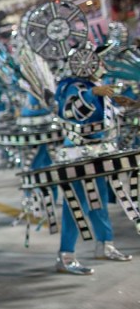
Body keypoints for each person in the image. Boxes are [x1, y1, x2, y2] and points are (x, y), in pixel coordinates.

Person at [54, 75, 133, 274]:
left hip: (98, 154)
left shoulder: (97, 85)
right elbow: (69, 111)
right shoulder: (73, 86)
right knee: (76, 205)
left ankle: (104, 245)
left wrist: (124, 106)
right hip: (77, 156)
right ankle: (66, 256)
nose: (102, 66)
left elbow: (104, 119)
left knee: (99, 202)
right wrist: (91, 94)